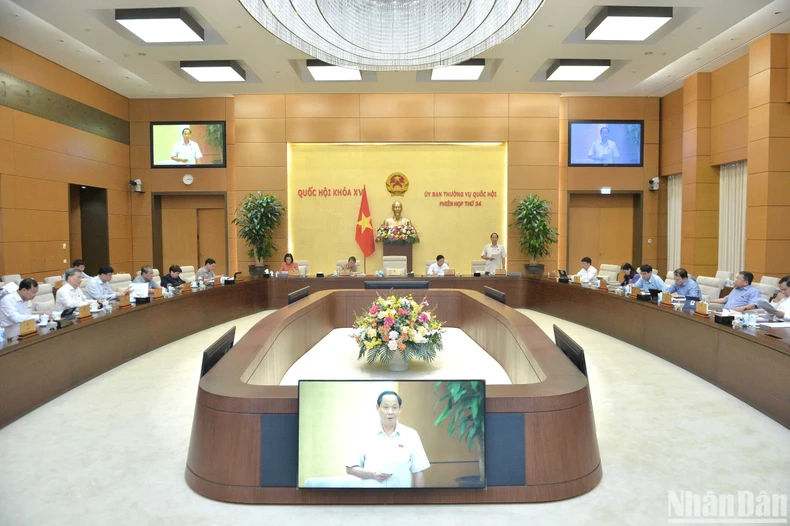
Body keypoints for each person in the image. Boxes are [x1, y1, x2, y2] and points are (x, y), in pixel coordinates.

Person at [346, 391, 430, 488]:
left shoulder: (411, 435)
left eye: (394, 407)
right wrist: (372, 475)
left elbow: (418, 472)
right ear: (377, 408)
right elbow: (350, 468)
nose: (390, 412)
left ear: (400, 409)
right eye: (385, 407)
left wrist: (418, 497)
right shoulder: (365, 434)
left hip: (402, 496)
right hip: (372, 495)